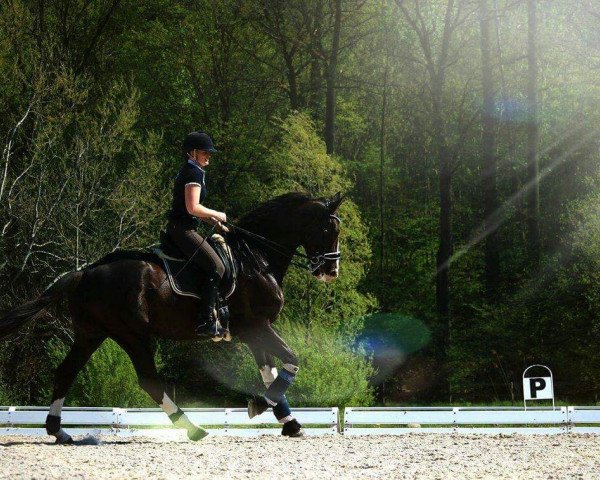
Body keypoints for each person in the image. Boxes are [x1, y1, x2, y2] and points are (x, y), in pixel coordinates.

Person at [166, 131, 227, 338]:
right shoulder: (194, 173)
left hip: (181, 226)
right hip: (183, 230)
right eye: (204, 152)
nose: (208, 156)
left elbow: (190, 209)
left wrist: (212, 220)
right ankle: (206, 320)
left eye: (209, 153)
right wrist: (218, 213)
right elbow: (193, 208)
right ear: (192, 153)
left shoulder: (189, 170)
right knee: (216, 266)